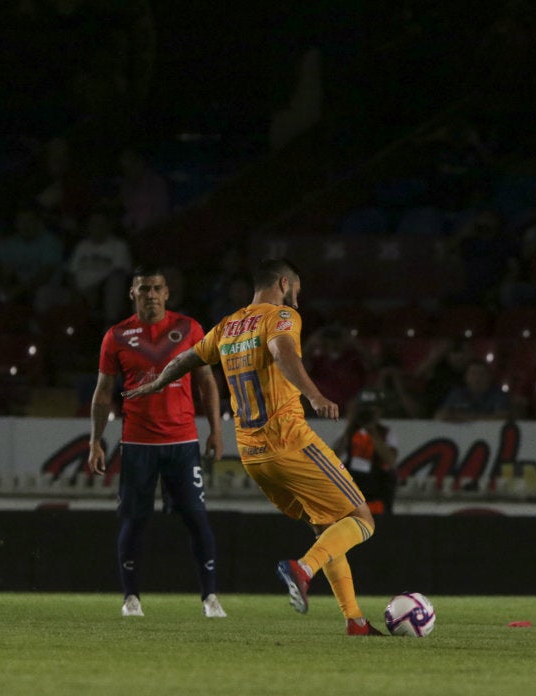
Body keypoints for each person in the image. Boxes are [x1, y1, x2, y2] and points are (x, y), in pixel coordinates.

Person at [123, 258, 383, 636]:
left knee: (326, 526)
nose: (297, 298)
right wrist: (313, 393)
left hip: (252, 454)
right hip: (289, 439)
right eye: (297, 289)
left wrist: (154, 383)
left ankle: (355, 620)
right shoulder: (280, 316)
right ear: (284, 283)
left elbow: (186, 359)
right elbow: (282, 352)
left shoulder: (228, 325)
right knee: (362, 519)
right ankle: (302, 569)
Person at [87, 265, 227, 619]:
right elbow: (103, 393)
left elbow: (206, 382)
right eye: (143, 288)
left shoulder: (189, 328)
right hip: (138, 444)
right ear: (132, 294)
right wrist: (95, 441)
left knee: (196, 518)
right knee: (134, 519)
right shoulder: (116, 336)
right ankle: (130, 598)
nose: (150, 294)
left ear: (167, 293)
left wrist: (216, 430)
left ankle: (210, 598)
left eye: (156, 288)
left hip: (182, 441)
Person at [333, 390, 398, 514]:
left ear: (379, 411)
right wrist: (350, 426)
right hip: (353, 486)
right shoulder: (349, 432)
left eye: (372, 408)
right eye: (363, 408)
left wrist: (372, 431)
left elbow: (391, 461)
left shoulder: (386, 433)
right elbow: (333, 456)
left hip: (376, 486)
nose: (367, 412)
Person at [434, 359, 512, 422]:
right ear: (466, 377)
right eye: (473, 373)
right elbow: (440, 416)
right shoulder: (457, 394)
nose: (477, 378)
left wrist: (461, 417)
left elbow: (502, 417)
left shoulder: (498, 395)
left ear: (489, 377)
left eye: (481, 374)